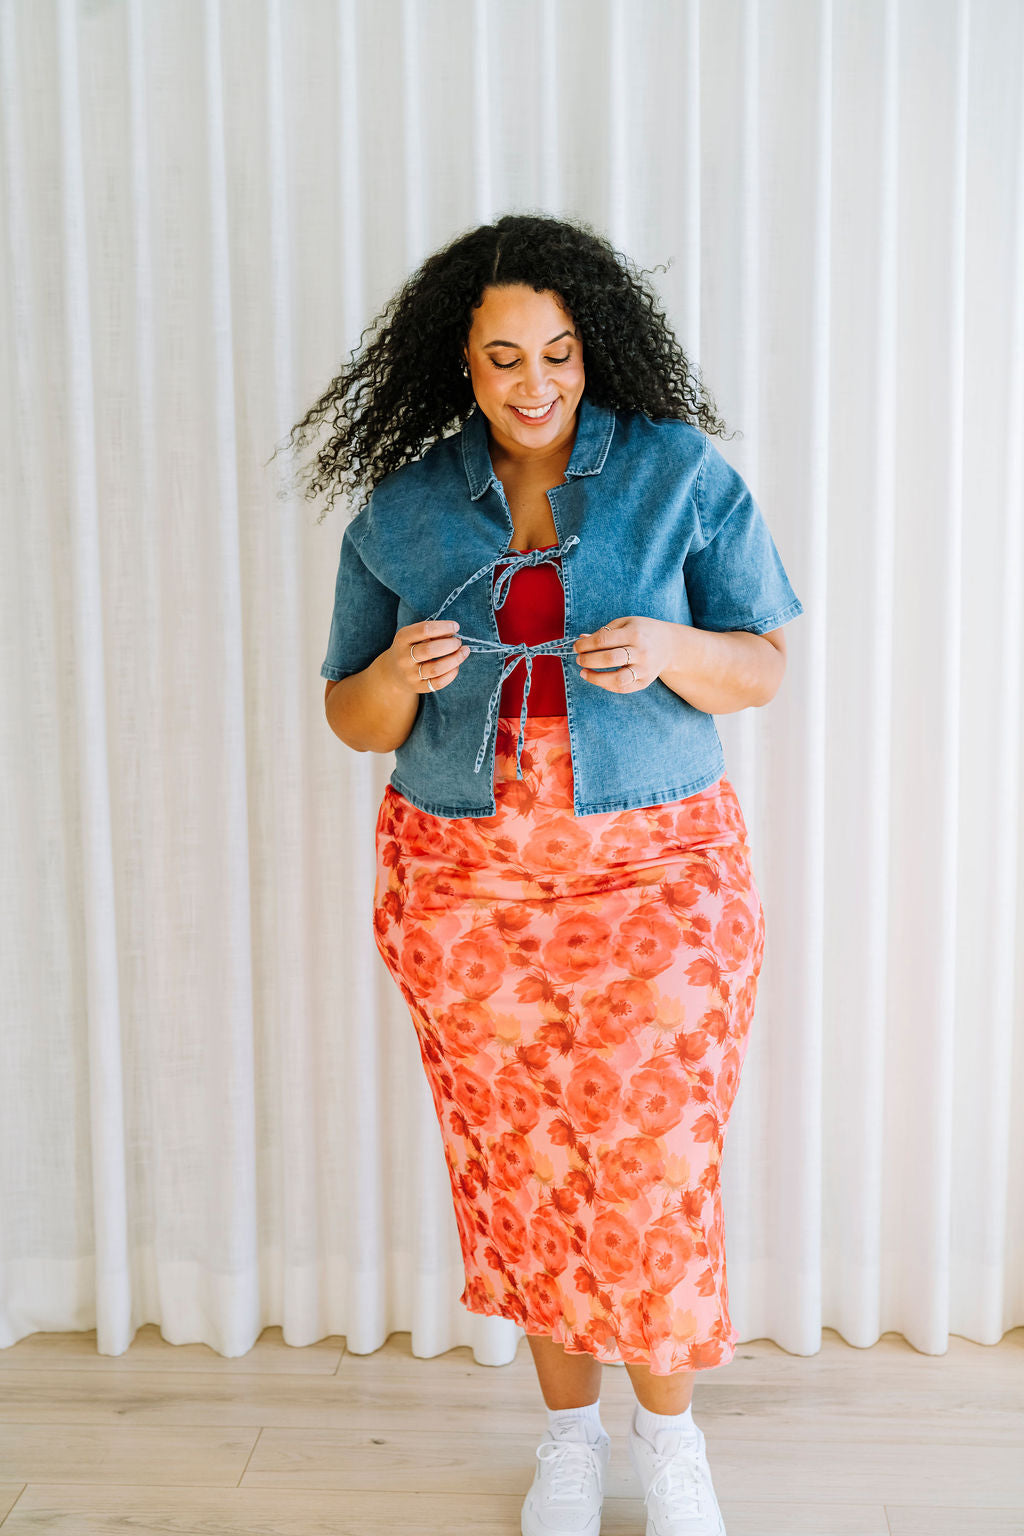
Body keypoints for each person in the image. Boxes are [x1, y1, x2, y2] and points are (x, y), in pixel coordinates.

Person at [289, 212, 803, 1536]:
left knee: (655, 1162)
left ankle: (671, 1443)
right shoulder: (402, 509)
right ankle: (570, 1441)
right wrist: (393, 674)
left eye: (559, 353)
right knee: (525, 1169)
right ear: (458, 361)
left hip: (663, 874)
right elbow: (351, 716)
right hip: (465, 889)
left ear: (596, 349)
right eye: (504, 357)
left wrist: (673, 650)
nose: (535, 384)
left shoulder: (678, 473)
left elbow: (762, 664)